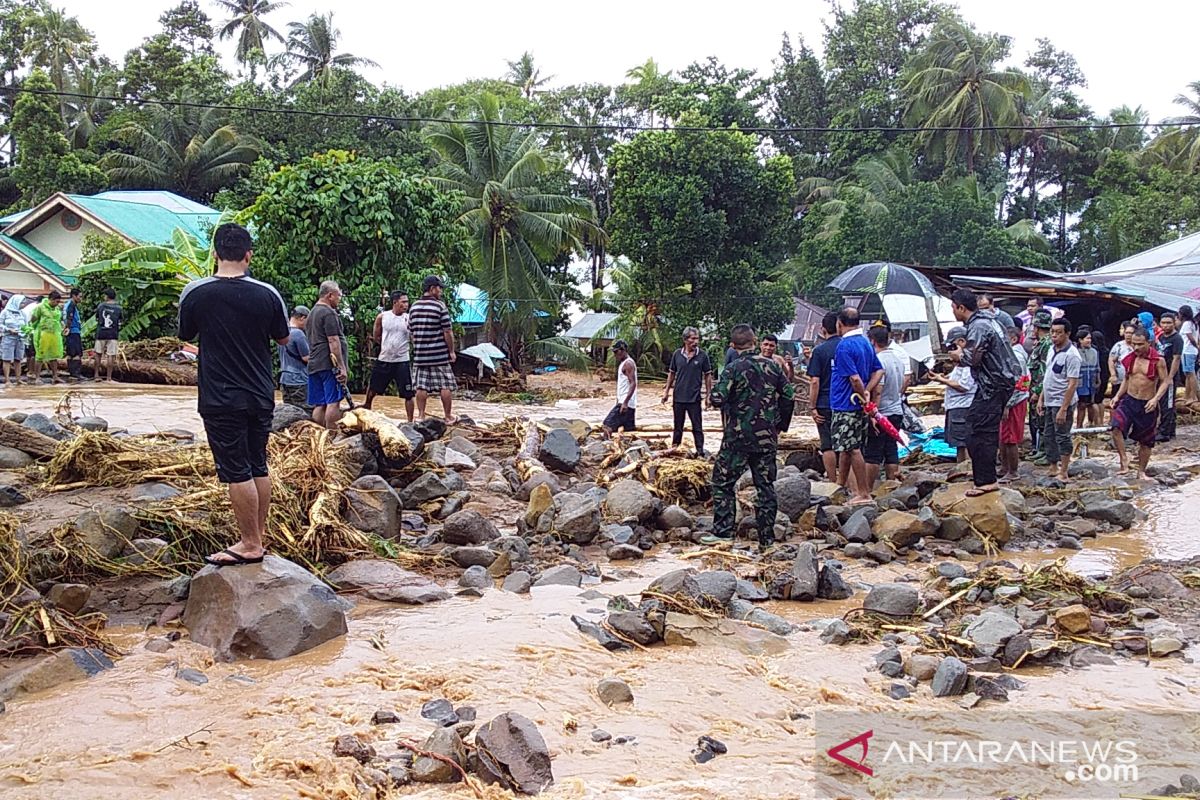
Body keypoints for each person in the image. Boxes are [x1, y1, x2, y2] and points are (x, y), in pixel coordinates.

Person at [177, 222, 290, 566]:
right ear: (248, 255)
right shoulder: (268, 294)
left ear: (214, 254)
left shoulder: (195, 292)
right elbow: (283, 338)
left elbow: (187, 333)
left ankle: (250, 543)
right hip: (259, 392)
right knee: (258, 462)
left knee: (236, 469)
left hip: (219, 395)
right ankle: (258, 537)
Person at [703, 324, 794, 549]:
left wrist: (715, 395)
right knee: (765, 486)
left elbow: (717, 398)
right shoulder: (773, 368)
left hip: (737, 438)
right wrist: (781, 425)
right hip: (766, 438)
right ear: (755, 342)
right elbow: (789, 396)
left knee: (722, 482)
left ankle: (723, 533)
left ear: (733, 345)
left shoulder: (734, 367)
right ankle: (767, 539)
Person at [954, 289, 1019, 496]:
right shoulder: (992, 321)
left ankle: (986, 481)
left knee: (978, 432)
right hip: (999, 383)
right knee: (981, 429)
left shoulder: (979, 326)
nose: (953, 312)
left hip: (993, 385)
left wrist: (957, 355)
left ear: (961, 308)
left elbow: (972, 358)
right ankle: (985, 477)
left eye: (953, 308)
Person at [829, 307, 883, 505]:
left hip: (846, 404)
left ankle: (863, 492)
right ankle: (840, 483)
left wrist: (862, 393)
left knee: (852, 448)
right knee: (846, 447)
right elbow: (879, 372)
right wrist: (867, 392)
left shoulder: (845, 346)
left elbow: (854, 378)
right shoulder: (866, 344)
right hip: (857, 404)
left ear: (839, 323)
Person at [1110, 328, 1169, 479]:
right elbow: (1127, 379)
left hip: (1147, 403)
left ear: (1148, 343)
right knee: (1116, 427)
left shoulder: (1158, 360)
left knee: (1146, 441)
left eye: (1140, 344)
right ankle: (1124, 459)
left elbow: (1165, 381)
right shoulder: (1131, 358)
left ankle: (1141, 471)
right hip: (1129, 400)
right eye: (1134, 344)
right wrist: (1117, 396)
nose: (1136, 348)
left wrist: (1155, 399)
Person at [409, 275, 457, 424]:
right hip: (439, 355)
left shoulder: (414, 307)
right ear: (432, 289)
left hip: (420, 355)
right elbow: (447, 331)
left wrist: (418, 346)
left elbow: (411, 332)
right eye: (439, 288)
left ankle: (421, 416)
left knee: (421, 386)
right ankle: (448, 416)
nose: (441, 291)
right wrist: (451, 351)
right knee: (445, 385)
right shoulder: (440, 306)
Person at [1038, 318, 1081, 480]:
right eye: (1053, 332)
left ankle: (1064, 470)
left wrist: (1064, 408)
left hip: (1063, 401)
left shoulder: (1072, 355)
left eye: (1058, 333)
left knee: (1062, 434)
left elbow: (1072, 383)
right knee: (1049, 434)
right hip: (1049, 399)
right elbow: (1047, 376)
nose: (1054, 336)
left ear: (1067, 334)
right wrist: (1042, 398)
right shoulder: (1051, 349)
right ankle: (1053, 466)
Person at [661, 327, 713, 455]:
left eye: (697, 338)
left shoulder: (702, 355)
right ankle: (675, 449)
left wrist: (708, 395)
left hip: (694, 398)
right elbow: (672, 373)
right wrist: (666, 391)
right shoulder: (677, 354)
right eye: (693, 338)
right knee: (678, 426)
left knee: (697, 427)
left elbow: (707, 375)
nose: (695, 341)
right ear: (685, 340)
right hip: (678, 397)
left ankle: (700, 451)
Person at [927, 327, 976, 463]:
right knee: (959, 444)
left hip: (963, 407)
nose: (949, 351)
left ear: (962, 342)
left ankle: (967, 470)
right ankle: (961, 468)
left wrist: (941, 380)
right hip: (955, 406)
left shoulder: (968, 362)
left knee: (964, 442)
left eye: (953, 347)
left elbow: (964, 386)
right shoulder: (960, 364)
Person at [366, 291, 415, 420]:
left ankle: (410, 420)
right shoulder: (382, 317)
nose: (406, 305)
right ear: (395, 302)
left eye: (407, 302)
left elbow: (414, 336)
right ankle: (367, 407)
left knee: (408, 394)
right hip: (385, 358)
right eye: (403, 302)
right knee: (373, 388)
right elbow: (376, 336)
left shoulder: (409, 318)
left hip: (402, 360)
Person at [865, 325, 904, 484]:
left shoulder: (879, 361)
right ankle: (892, 484)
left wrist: (873, 413)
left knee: (873, 452)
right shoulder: (897, 359)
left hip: (883, 413)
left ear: (872, 341)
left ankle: (866, 488)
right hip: (897, 409)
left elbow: (878, 391)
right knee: (891, 449)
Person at [306, 281, 348, 431]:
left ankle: (317, 436)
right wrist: (341, 367)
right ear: (330, 295)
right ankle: (332, 435)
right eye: (338, 296)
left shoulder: (311, 313)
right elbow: (333, 340)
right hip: (329, 364)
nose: (339, 299)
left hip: (314, 363)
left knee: (320, 403)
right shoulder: (328, 313)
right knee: (333, 401)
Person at [806, 312, 840, 481]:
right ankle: (847, 480)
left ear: (822, 329)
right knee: (846, 444)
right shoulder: (847, 346)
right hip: (847, 403)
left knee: (828, 444)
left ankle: (833, 480)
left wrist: (812, 407)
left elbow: (814, 381)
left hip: (825, 403)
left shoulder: (819, 351)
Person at [999, 326, 1030, 482]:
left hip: (1014, 400)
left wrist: (1007, 404)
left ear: (1013, 339)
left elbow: (1018, 382)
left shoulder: (1016, 356)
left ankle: (1013, 471)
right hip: (1010, 399)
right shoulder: (1011, 354)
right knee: (1004, 436)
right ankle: (1005, 467)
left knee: (1011, 437)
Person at [1026, 310, 1054, 460]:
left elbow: (1045, 371)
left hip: (1041, 390)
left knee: (1042, 421)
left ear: (1036, 327)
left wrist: (1038, 391)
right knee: (1037, 421)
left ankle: (1044, 452)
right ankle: (1039, 450)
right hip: (1035, 387)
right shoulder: (1042, 343)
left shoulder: (1047, 344)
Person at [1156, 311, 1184, 443]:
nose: (1166, 326)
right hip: (1160, 374)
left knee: (1168, 403)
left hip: (1170, 375)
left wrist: (1170, 377)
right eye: (1163, 323)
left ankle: (1165, 432)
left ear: (1174, 323)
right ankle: (1170, 429)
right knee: (1163, 402)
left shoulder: (1177, 339)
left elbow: (1176, 359)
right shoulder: (1161, 337)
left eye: (1169, 323)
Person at [278, 305, 310, 410]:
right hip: (298, 380)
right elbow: (306, 358)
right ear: (302, 318)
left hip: (284, 379)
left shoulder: (283, 332)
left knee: (288, 411)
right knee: (303, 412)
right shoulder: (298, 334)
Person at [603, 339, 637, 435]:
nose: (614, 355)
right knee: (628, 432)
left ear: (622, 350)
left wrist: (624, 402)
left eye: (616, 352)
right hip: (627, 403)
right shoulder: (625, 363)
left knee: (607, 425)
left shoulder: (628, 364)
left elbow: (633, 383)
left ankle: (605, 447)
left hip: (625, 403)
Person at [29, 291, 65, 384]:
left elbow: (58, 320)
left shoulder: (56, 309)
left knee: (54, 356)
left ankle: (55, 376)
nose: (57, 304)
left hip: (54, 334)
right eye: (56, 301)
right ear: (51, 299)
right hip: (43, 334)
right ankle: (37, 377)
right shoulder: (40, 307)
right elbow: (33, 319)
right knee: (40, 356)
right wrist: (33, 329)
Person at [93, 288, 121, 382]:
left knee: (98, 354)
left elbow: (97, 317)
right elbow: (120, 320)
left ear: (107, 296)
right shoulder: (118, 308)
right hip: (113, 334)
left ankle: (96, 375)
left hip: (101, 333)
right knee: (111, 355)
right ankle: (109, 378)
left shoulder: (101, 306)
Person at [1074, 327, 1101, 427]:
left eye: (1090, 338)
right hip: (1080, 382)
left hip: (1091, 381)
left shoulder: (1094, 351)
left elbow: (1097, 367)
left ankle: (1091, 424)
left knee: (1091, 403)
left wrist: (1098, 379)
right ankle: (1079, 426)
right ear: (1080, 340)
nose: (1089, 340)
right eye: (1087, 338)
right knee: (1081, 405)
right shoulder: (1076, 352)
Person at [0, 294, 27, 386]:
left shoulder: (22, 313)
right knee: (7, 359)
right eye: (21, 303)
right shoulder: (5, 312)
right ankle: (7, 380)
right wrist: (8, 329)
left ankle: (18, 379)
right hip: (8, 338)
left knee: (18, 359)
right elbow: (0, 324)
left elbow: (26, 325)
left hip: (20, 338)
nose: (23, 304)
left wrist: (26, 331)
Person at [62, 287, 83, 382]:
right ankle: (76, 373)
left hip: (71, 331)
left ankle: (72, 373)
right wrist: (68, 328)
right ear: (74, 296)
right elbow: (70, 318)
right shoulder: (71, 306)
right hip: (73, 331)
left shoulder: (67, 305)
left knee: (70, 353)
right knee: (77, 353)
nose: (80, 299)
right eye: (79, 297)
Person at [1109, 322, 1136, 393]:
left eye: (1131, 333)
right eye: (1126, 333)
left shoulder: (1138, 346)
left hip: (1134, 382)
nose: (1128, 335)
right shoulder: (1118, 345)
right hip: (1119, 381)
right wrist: (1113, 374)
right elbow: (1111, 360)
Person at [1179, 305, 1198, 402]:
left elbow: (1190, 338)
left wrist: (1196, 347)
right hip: (1189, 351)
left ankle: (1193, 396)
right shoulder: (1193, 323)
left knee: (1191, 374)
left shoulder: (1187, 323)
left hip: (1188, 351)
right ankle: (1187, 395)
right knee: (1187, 374)